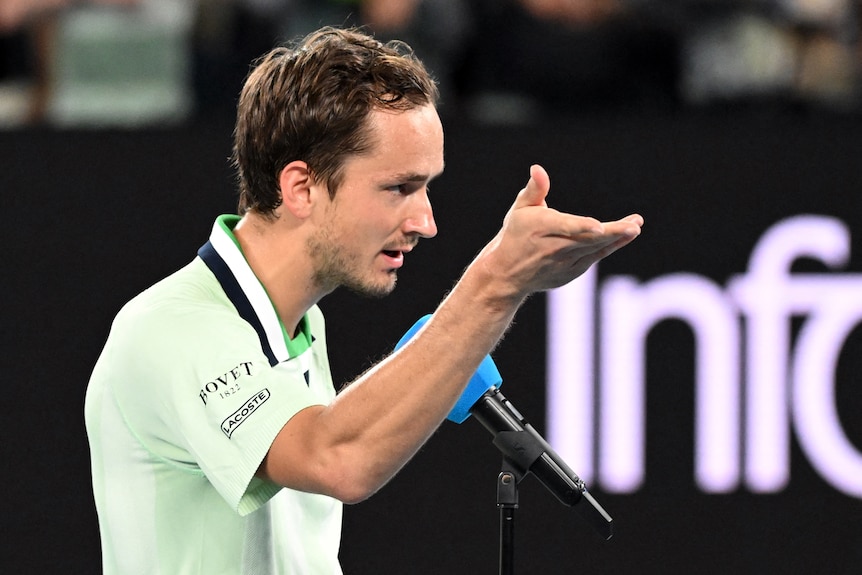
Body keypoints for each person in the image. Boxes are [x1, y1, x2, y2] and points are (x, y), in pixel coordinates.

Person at [84, 26, 643, 574]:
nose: (426, 222)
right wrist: (496, 284)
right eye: (399, 188)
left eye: (427, 188)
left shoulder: (302, 324)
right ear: (300, 187)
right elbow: (339, 459)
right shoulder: (172, 328)